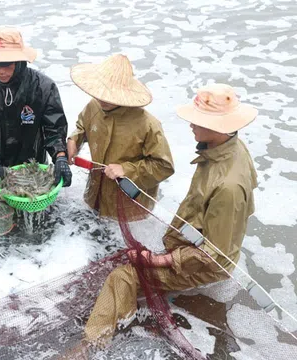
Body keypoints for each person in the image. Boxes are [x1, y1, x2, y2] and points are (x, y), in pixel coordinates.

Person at [83, 83, 258, 347]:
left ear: (220, 128)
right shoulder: (229, 149)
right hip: (194, 243)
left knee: (123, 277)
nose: (190, 126)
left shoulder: (229, 186)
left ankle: (90, 346)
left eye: (196, 121)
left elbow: (216, 256)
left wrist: (157, 260)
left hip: (206, 267)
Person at [67, 54, 175, 219]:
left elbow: (164, 166)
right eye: (100, 94)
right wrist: (74, 140)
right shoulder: (94, 105)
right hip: (95, 194)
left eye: (110, 96)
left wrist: (126, 169)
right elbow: (82, 125)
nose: (103, 100)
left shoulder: (148, 125)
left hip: (130, 207)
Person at [0, 27, 72, 188]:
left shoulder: (44, 87)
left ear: (20, 61)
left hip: (32, 168)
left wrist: (60, 157)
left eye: (7, 64)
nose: (1, 71)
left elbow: (54, 129)